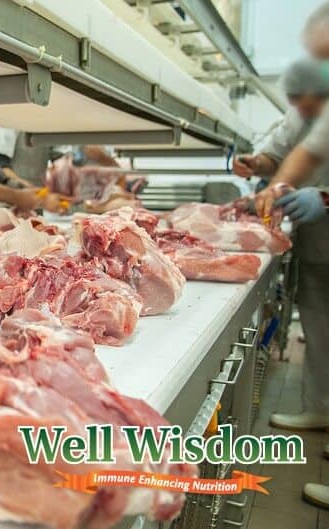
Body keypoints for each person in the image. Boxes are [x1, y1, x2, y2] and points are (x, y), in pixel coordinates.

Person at [253, 3, 329, 510]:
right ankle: (318, 407)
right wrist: (277, 178)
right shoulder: (316, 107)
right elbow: (296, 152)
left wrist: (322, 198)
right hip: (319, 242)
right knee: (321, 325)